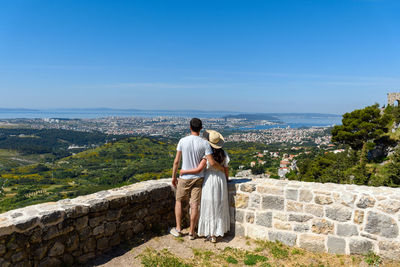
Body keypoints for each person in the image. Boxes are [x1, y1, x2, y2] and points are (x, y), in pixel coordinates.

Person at [170, 118, 225, 240]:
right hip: (198, 177)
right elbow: (211, 161)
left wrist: (174, 177)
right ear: (200, 129)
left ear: (190, 127)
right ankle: (191, 232)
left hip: (184, 177)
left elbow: (176, 162)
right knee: (194, 204)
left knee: (179, 201)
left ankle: (178, 229)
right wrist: (221, 168)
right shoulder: (205, 143)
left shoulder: (182, 141)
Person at [180, 130, 230, 243]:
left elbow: (199, 169)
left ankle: (211, 233)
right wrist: (226, 180)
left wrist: (184, 171)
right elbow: (226, 170)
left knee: (209, 206)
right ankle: (217, 231)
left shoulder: (207, 155)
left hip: (209, 180)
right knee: (219, 205)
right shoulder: (224, 154)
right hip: (220, 180)